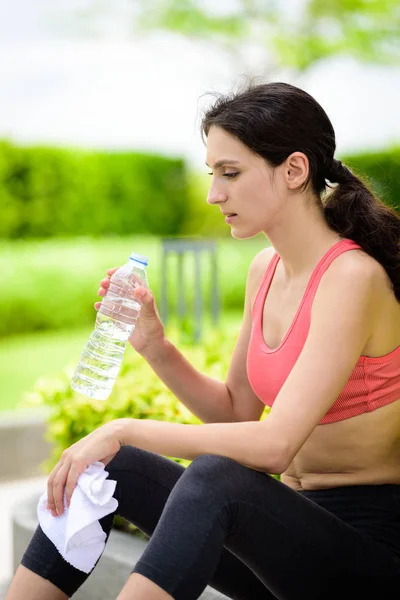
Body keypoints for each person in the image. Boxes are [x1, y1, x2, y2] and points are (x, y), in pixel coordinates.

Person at [6, 81, 400, 600]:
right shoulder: (267, 269)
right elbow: (238, 412)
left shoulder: (352, 278)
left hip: (367, 557)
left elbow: (276, 445)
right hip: (285, 542)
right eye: (213, 174)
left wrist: (125, 427)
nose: (215, 194)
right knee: (107, 466)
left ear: (295, 170)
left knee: (215, 477)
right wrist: (156, 347)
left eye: (230, 174)